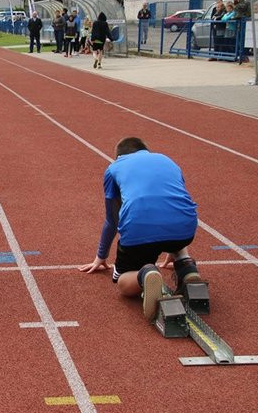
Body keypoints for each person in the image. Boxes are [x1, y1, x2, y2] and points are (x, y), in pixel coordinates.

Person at [79, 137, 201, 321]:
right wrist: (175, 249)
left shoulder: (114, 168)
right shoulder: (167, 160)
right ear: (146, 150)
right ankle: (186, 266)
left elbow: (112, 220)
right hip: (185, 230)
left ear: (119, 156)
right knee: (170, 213)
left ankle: (145, 275)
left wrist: (101, 256)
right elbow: (173, 200)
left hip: (140, 231)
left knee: (123, 282)